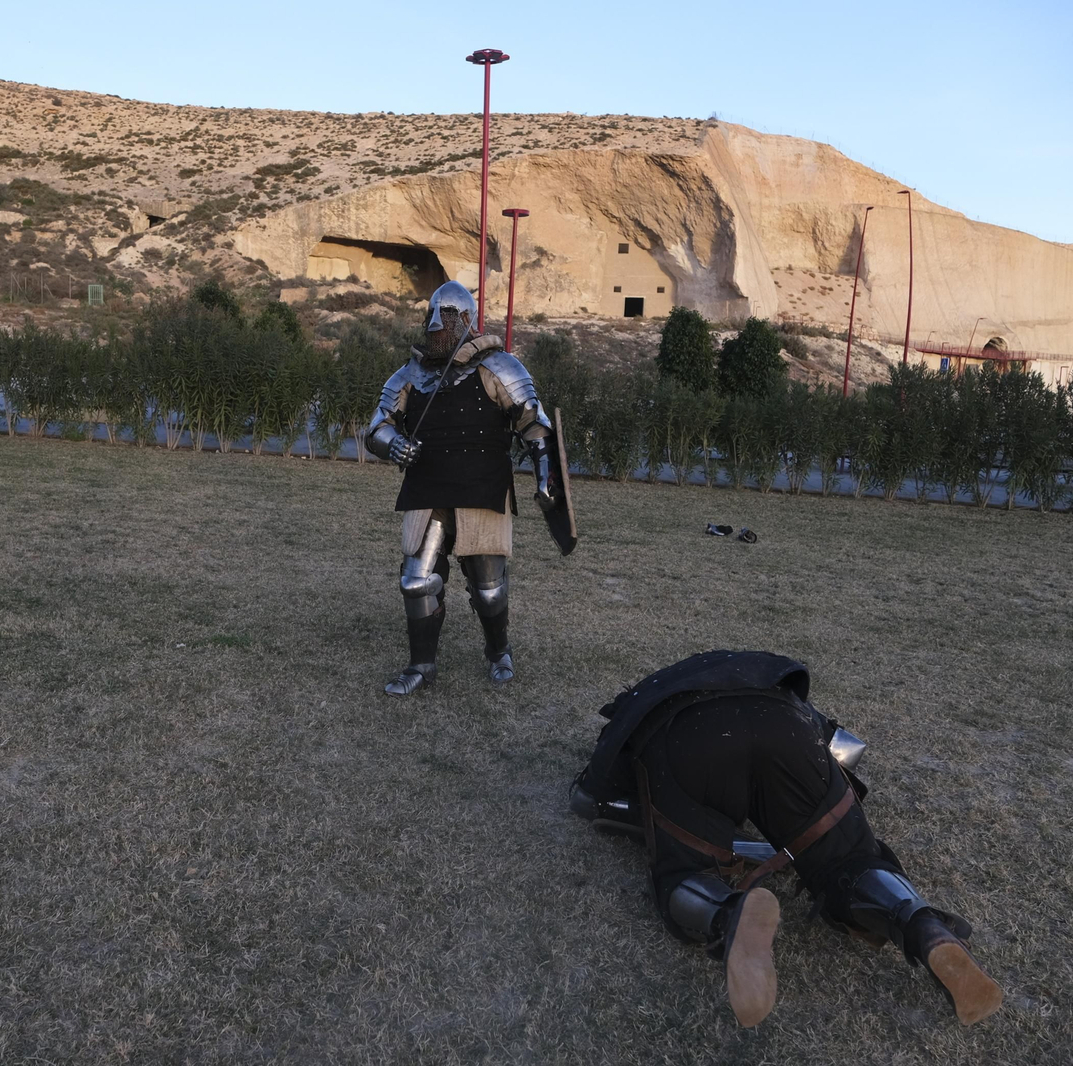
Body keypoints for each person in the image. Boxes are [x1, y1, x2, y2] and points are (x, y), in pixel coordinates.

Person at [569, 650, 1002, 1028]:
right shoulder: (763, 675)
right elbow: (848, 749)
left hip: (686, 736)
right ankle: (919, 923)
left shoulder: (640, 702)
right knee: (848, 859)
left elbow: (591, 799)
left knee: (683, 872)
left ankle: (727, 914)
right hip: (783, 724)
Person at [362, 281, 561, 696]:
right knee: (416, 581)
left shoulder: (499, 366)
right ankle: (421, 666)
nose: (438, 323)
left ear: (467, 319)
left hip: (481, 485)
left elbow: (535, 425)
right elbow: (377, 425)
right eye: (433, 316)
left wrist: (546, 477)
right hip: (428, 486)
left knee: (488, 590)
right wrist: (393, 443)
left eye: (448, 316)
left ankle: (499, 652)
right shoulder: (410, 374)